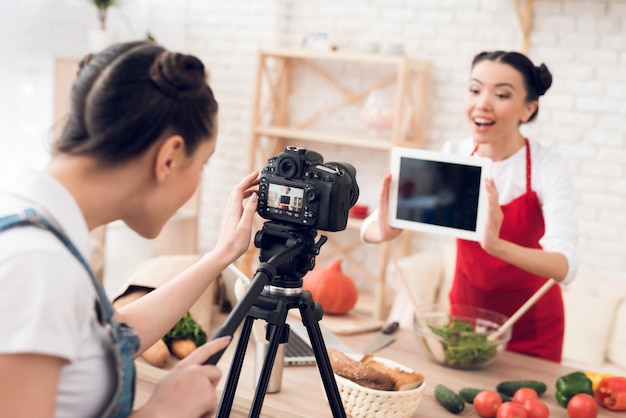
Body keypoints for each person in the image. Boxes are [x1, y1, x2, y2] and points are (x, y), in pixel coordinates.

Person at [0, 41, 259, 417]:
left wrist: (220, 255)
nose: (197, 180)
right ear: (169, 158)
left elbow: (106, 337)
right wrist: (162, 411)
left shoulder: (33, 220)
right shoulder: (39, 267)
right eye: (202, 164)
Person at [361, 50, 578, 363]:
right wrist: (382, 229)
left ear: (528, 109)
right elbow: (369, 227)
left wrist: (498, 246)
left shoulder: (546, 164)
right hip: (464, 320)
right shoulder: (456, 156)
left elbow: (566, 266)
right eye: (475, 90)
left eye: (501, 94)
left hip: (531, 327)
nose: (482, 103)